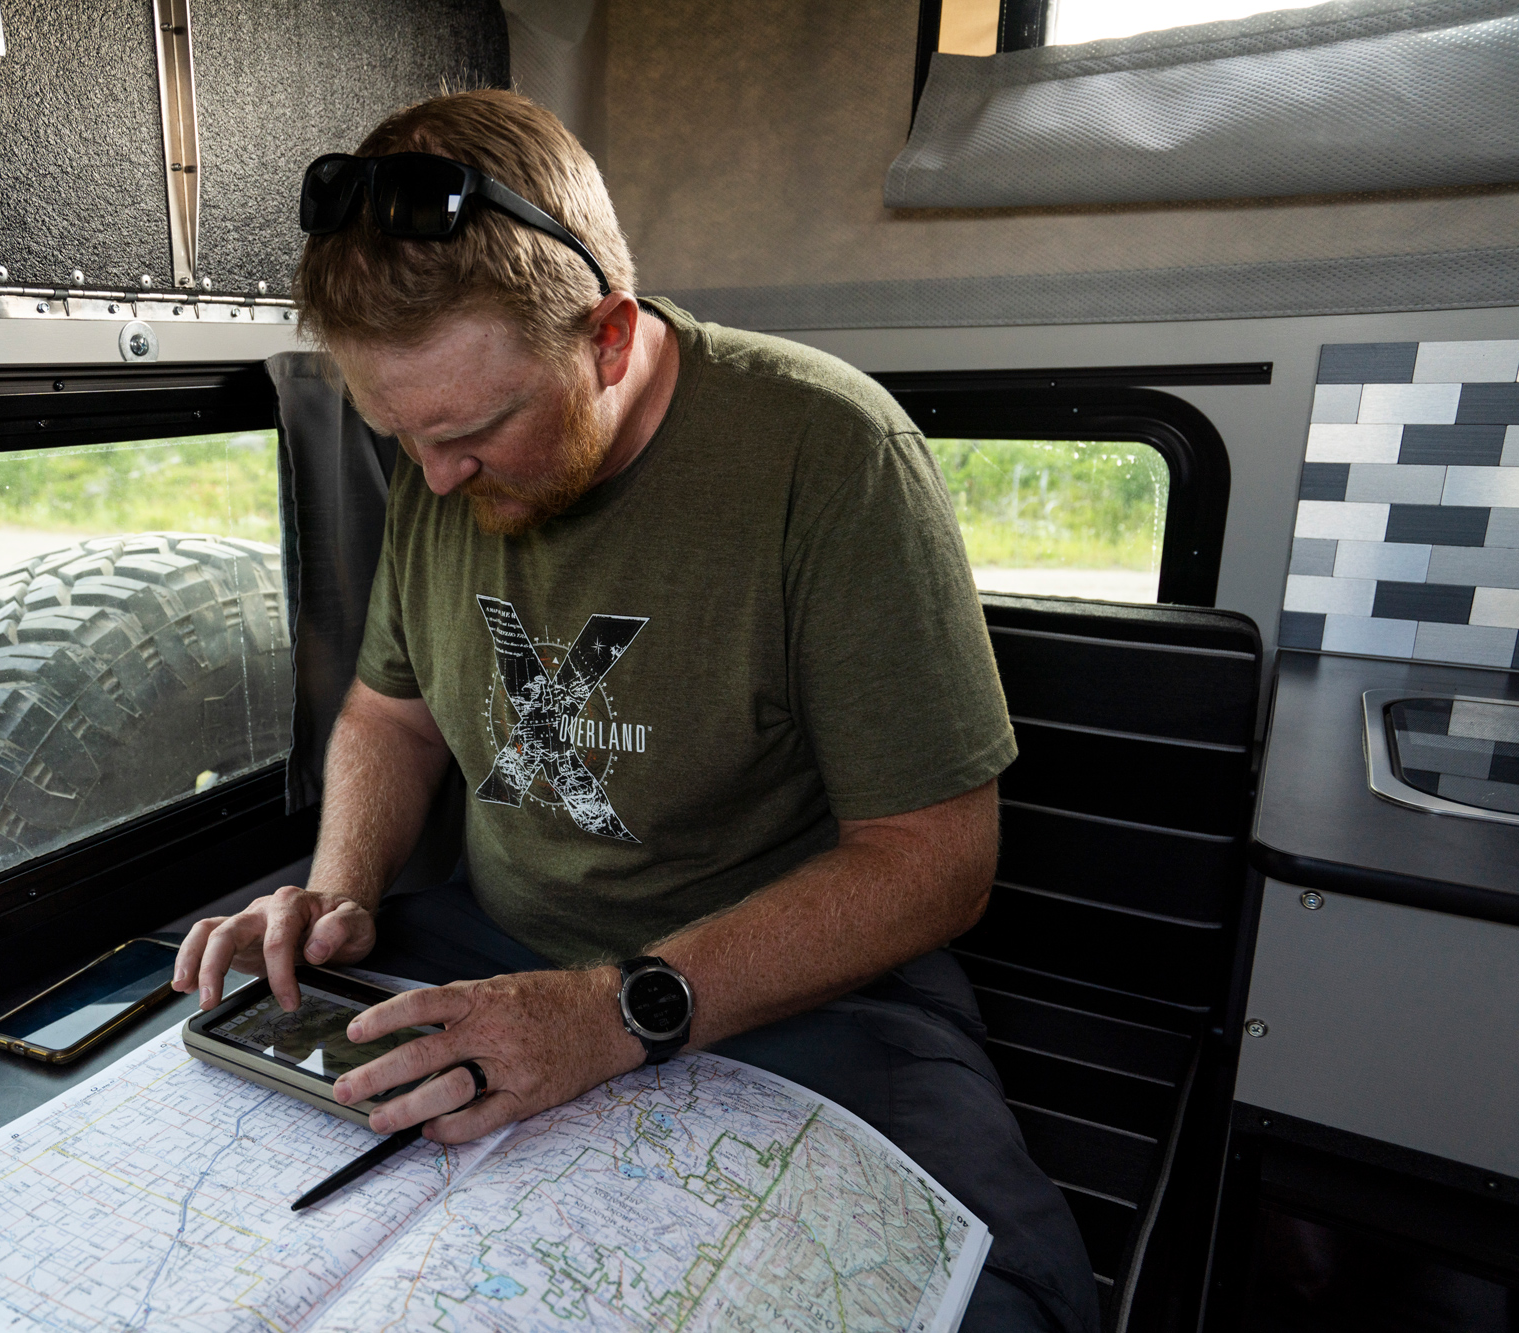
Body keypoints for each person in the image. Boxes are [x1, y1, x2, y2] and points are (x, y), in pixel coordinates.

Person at [172, 89, 1098, 1333]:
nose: (434, 479)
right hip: (490, 950)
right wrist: (338, 890)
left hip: (795, 991)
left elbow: (935, 859)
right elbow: (392, 716)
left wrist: (614, 1012)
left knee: (995, 1303)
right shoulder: (438, 457)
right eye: (397, 433)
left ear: (608, 337)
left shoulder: (828, 452)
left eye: (474, 431)